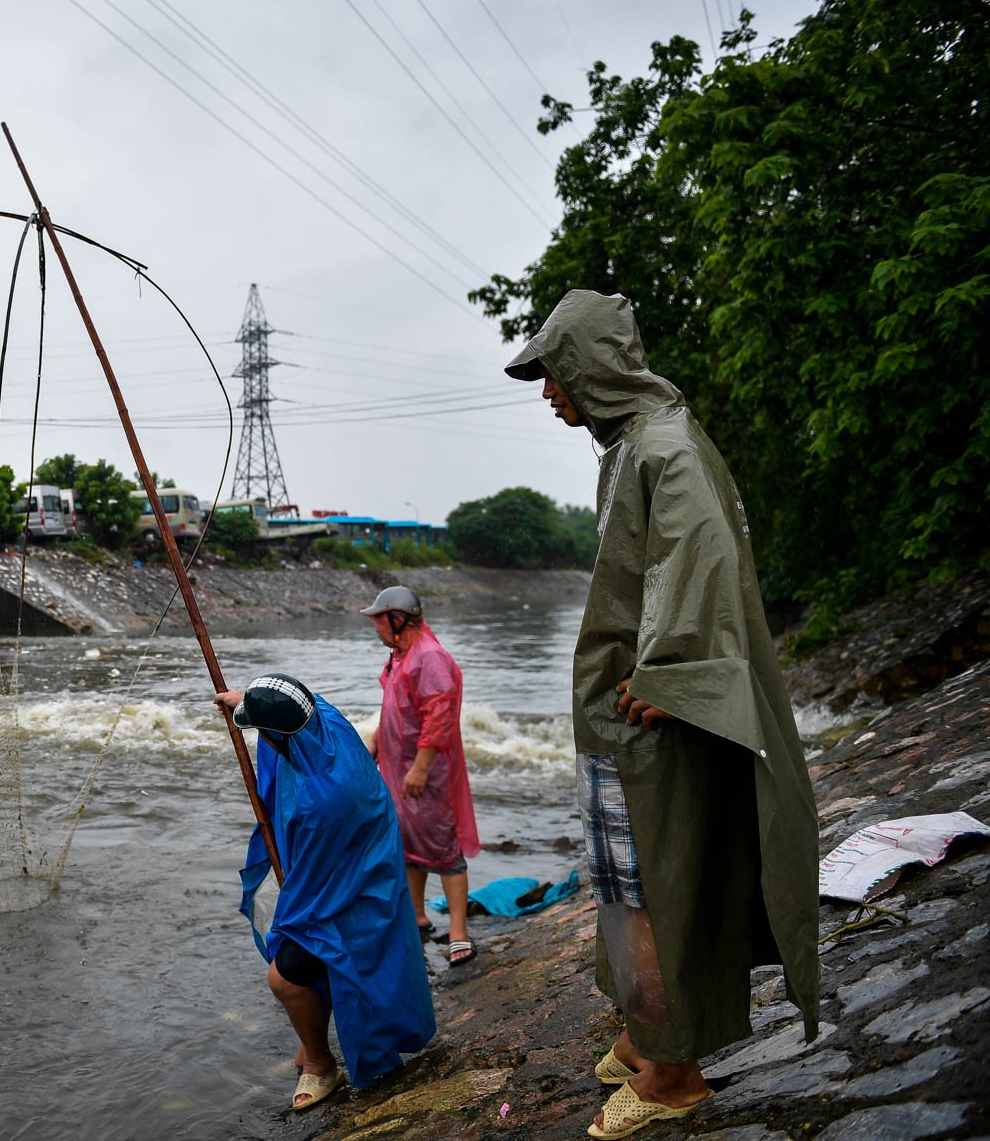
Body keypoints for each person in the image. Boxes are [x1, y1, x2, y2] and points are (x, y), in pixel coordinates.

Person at [504, 289, 820, 1139]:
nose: (547, 392)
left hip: (652, 720)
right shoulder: (632, 443)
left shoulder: (664, 446)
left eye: (554, 373)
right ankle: (646, 1032)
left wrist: (669, 670)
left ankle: (672, 1072)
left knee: (652, 889)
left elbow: (701, 557)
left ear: (593, 366)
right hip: (625, 717)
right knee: (626, 885)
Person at [214, 674, 435, 1111]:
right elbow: (291, 702)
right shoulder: (322, 716)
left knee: (286, 976)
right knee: (313, 961)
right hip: (361, 860)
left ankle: (320, 1062)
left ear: (279, 733)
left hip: (353, 887)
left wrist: (284, 933)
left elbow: (306, 896)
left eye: (261, 729)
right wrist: (248, 701)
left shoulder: (323, 801)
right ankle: (311, 1038)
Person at [359, 585, 481, 967]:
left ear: (398, 619)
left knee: (444, 848)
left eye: (379, 620)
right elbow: (393, 707)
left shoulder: (429, 658)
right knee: (407, 842)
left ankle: (458, 931)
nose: (375, 627)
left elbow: (440, 715)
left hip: (425, 770)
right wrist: (376, 742)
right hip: (398, 767)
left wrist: (422, 766)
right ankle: (417, 916)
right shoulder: (401, 655)